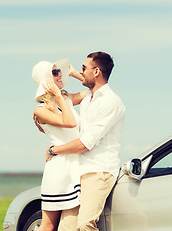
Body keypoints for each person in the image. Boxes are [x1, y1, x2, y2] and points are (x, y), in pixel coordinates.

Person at [45, 52, 125, 231]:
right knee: (66, 228)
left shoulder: (110, 102)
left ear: (96, 72)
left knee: (84, 224)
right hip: (78, 170)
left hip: (98, 171)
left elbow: (85, 144)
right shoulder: (88, 97)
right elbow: (59, 101)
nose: (80, 71)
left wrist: (54, 150)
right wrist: (69, 74)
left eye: (83, 68)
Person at [32, 57, 87, 231]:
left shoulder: (66, 99)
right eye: (54, 72)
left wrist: (75, 74)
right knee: (48, 226)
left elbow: (96, 92)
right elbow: (70, 122)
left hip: (77, 165)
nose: (59, 75)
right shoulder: (40, 110)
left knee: (70, 224)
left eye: (59, 71)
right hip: (59, 169)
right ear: (46, 78)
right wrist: (57, 95)